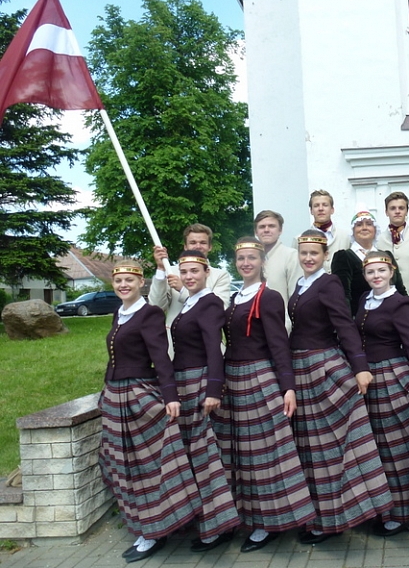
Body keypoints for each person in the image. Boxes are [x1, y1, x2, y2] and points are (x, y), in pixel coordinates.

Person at [288, 231, 393, 544]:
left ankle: (335, 518)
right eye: (304, 252)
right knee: (312, 450)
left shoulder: (329, 282)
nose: (308, 258)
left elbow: (344, 324)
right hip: (301, 369)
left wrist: (360, 367)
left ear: (324, 255)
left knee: (330, 449)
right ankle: (322, 514)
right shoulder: (300, 284)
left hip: (322, 369)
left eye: (314, 253)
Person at [215, 238, 316, 552]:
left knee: (264, 456)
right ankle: (248, 517)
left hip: (259, 378)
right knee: (241, 457)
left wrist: (287, 387)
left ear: (262, 263)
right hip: (233, 380)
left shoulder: (269, 297)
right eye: (241, 258)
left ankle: (269, 524)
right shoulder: (233, 298)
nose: (246, 263)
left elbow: (278, 344)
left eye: (252, 258)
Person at [100, 261, 203, 564]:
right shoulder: (119, 313)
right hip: (115, 396)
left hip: (139, 396)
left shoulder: (149, 313)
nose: (123, 285)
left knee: (148, 465)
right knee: (123, 466)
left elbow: (161, 355)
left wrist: (170, 396)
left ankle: (157, 529)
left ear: (141, 282)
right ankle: (145, 527)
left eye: (129, 280)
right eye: (118, 280)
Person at [355, 251, 409, 537]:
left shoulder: (400, 303)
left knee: (399, 449)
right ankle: (384, 507)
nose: (376, 276)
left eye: (381, 270)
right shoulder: (364, 301)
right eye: (370, 272)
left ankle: (404, 513)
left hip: (393, 377)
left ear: (391, 272)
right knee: (378, 448)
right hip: (370, 380)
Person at [169, 251, 241, 552]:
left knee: (207, 458)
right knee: (197, 457)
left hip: (200, 383)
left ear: (206, 272)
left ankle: (217, 526)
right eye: (184, 272)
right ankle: (208, 520)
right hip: (184, 381)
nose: (188, 277)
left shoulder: (210, 302)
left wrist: (213, 388)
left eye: (194, 271)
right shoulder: (189, 302)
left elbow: (214, 346)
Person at [149, 223, 231, 355]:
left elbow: (219, 310)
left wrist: (183, 290)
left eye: (203, 242)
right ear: (185, 246)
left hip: (207, 346)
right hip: (175, 348)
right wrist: (160, 269)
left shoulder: (219, 275)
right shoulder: (171, 272)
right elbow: (155, 307)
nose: (198, 246)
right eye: (193, 242)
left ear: (210, 247)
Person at [331, 208, 406, 316]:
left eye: (369, 224)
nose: (364, 227)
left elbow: (399, 289)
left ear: (375, 229)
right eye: (359, 224)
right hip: (359, 319)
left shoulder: (386, 256)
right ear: (353, 230)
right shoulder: (344, 257)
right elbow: (342, 296)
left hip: (390, 317)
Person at [376, 191, 409, 298]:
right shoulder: (378, 240)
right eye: (393, 208)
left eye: (401, 208)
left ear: (407, 211)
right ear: (386, 212)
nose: (397, 212)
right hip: (385, 301)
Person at [253, 210, 302, 328]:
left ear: (280, 230)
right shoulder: (251, 259)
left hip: (282, 326)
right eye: (262, 227)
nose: (266, 230)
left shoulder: (291, 256)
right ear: (256, 231)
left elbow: (295, 298)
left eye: (271, 226)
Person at [293, 189, 351, 270]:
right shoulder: (299, 239)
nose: (320, 208)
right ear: (311, 211)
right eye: (316, 205)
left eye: (325, 205)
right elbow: (296, 269)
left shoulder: (346, 237)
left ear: (332, 210)